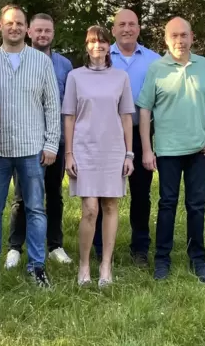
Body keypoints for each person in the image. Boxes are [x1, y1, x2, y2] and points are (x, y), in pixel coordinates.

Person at [0, 4, 61, 287]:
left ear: (27, 29)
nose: (14, 28)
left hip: (32, 149)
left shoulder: (41, 62)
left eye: (19, 23)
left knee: (36, 209)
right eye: (9, 23)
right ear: (0, 26)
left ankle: (37, 266)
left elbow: (52, 105)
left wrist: (51, 144)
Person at [136, 17, 205, 283]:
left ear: (192, 37)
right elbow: (144, 109)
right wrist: (147, 150)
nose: (180, 41)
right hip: (168, 150)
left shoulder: (203, 65)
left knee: (197, 205)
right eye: (174, 36)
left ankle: (198, 259)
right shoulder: (157, 68)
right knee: (167, 205)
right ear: (166, 39)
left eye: (184, 35)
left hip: (198, 149)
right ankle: (162, 260)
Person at [63, 25, 135, 287]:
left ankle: (106, 265)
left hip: (113, 150)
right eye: (93, 42)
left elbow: (127, 116)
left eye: (103, 42)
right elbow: (69, 117)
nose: (98, 46)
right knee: (90, 209)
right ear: (86, 46)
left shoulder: (120, 77)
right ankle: (84, 265)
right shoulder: (74, 77)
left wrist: (129, 154)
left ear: (109, 46)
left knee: (110, 206)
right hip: (84, 150)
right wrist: (68, 153)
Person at [5, 13, 73, 268]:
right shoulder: (19, 61)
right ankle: (15, 247)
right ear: (29, 33)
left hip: (57, 141)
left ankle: (54, 244)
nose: (43, 35)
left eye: (48, 31)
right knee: (22, 197)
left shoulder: (65, 65)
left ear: (53, 34)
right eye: (38, 30)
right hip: (27, 142)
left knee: (54, 194)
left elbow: (68, 105)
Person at [93, 9, 160, 266]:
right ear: (113, 29)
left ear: (139, 28)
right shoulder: (102, 57)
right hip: (107, 135)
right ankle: (99, 247)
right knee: (103, 193)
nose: (127, 29)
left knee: (141, 194)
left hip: (142, 133)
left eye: (132, 24)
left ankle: (140, 248)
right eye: (121, 24)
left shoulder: (155, 60)